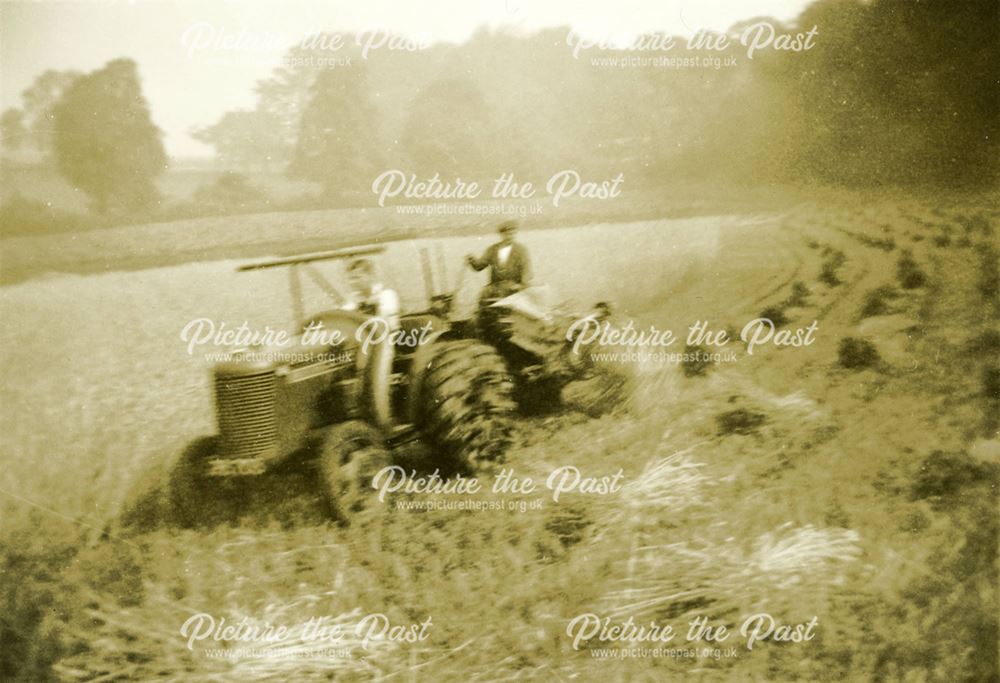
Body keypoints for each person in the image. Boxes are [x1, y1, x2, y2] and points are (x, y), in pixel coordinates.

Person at [465, 220, 532, 301]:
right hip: (495, 286)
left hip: (513, 286)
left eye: (512, 234)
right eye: (507, 234)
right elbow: (479, 266)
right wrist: (472, 260)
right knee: (484, 295)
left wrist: (522, 285)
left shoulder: (521, 250)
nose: (510, 237)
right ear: (501, 234)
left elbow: (527, 270)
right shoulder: (492, 249)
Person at [344, 257, 400, 330]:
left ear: (370, 276)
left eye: (357, 278)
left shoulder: (387, 295)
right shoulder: (354, 299)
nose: (352, 282)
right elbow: (343, 316)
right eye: (351, 279)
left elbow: (389, 324)